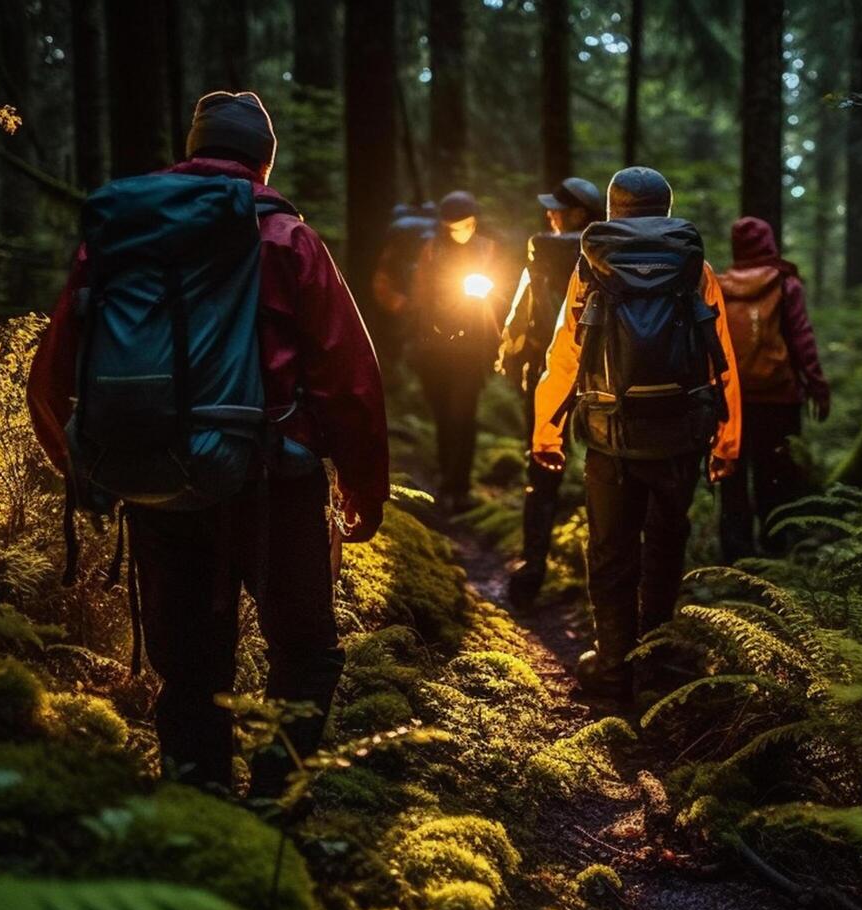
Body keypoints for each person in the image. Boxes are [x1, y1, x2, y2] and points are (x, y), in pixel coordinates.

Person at [26, 91, 389, 793]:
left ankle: (200, 801)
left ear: (194, 147)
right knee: (306, 649)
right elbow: (349, 379)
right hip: (272, 482)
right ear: (263, 159)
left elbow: (52, 374)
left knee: (189, 664)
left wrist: (88, 464)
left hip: (157, 471)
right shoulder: (288, 239)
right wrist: (363, 487)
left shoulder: (121, 233)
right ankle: (275, 803)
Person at [532, 167, 742, 700]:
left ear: (612, 208)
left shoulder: (591, 266)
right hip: (679, 433)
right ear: (666, 209)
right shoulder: (695, 267)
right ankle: (656, 661)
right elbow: (722, 360)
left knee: (610, 550)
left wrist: (545, 434)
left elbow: (565, 354)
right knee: (666, 545)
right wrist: (728, 440)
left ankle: (612, 666)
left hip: (610, 433)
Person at [496, 176, 603, 606]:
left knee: (541, 468)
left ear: (578, 214)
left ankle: (532, 568)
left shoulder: (540, 252)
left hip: (547, 374)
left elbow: (519, 316)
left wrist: (507, 354)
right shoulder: (608, 255)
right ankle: (596, 575)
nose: (549, 213)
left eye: (557, 208)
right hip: (600, 380)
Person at [715, 216, 831, 561]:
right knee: (777, 476)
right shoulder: (785, 284)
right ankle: (777, 548)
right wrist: (818, 387)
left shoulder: (718, 286)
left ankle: (736, 556)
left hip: (731, 400)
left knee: (732, 478)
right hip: (779, 399)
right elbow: (802, 339)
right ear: (768, 243)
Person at [411, 190, 509, 510]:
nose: (458, 231)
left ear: (474, 222)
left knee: (462, 415)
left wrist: (488, 294)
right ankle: (445, 482)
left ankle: (460, 486)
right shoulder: (431, 250)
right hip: (435, 349)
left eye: (463, 224)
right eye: (451, 226)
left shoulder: (488, 249)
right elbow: (420, 296)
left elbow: (504, 293)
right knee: (442, 415)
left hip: (472, 349)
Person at [370, 202, 438, 366]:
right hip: (413, 305)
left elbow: (382, 282)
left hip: (405, 304)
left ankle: (398, 367)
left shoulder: (393, 247)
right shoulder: (431, 242)